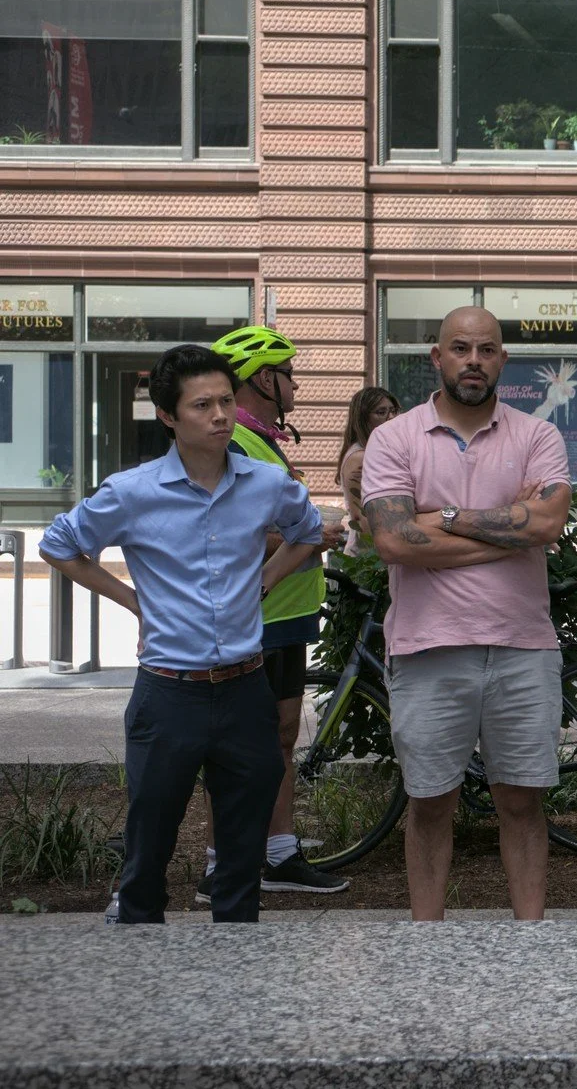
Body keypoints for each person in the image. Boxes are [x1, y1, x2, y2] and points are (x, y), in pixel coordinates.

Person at [41, 345, 324, 923]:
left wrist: (261, 584)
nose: (220, 415)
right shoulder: (133, 491)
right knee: (148, 854)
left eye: (225, 400)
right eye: (202, 405)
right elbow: (60, 544)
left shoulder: (266, 483)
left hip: (247, 690)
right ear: (168, 416)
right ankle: (144, 977)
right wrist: (134, 602)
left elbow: (308, 530)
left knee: (242, 866)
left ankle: (236, 982)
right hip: (168, 694)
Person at [361, 306, 573, 921]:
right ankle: (427, 941)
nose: (473, 361)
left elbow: (548, 521)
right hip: (428, 648)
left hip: (522, 646)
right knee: (429, 802)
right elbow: (395, 542)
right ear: (438, 358)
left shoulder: (538, 436)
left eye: (485, 350)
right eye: (460, 349)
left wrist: (442, 517)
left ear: (502, 360)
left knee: (522, 803)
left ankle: (529, 937)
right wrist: (508, 529)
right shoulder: (394, 438)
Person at [193, 325, 351, 900]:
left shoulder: (262, 440)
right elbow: (222, 535)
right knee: (236, 743)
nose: (297, 384)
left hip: (284, 614)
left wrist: (309, 533)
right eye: (289, 373)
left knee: (282, 736)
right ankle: (220, 864)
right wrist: (309, 536)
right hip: (249, 615)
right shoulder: (232, 442)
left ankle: (280, 856)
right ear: (265, 377)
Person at [336, 386, 401, 552]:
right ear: (363, 418)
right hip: (368, 559)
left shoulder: (376, 451)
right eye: (381, 412)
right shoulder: (360, 457)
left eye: (393, 411)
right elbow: (362, 520)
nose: (391, 417)